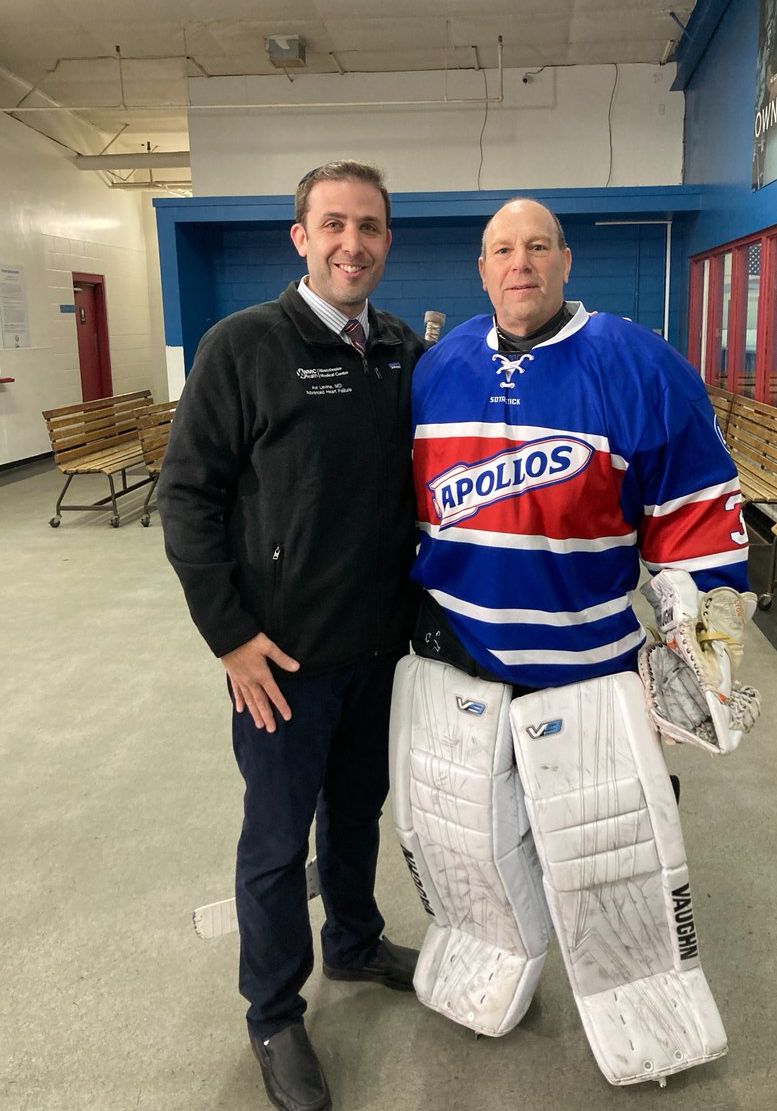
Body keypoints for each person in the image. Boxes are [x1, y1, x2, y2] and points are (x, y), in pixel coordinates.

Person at [389, 197, 757, 1087]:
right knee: (462, 844)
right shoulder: (436, 369)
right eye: (502, 249)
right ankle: (484, 972)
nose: (521, 263)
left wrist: (703, 670)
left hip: (588, 669)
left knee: (613, 863)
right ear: (481, 270)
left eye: (539, 247)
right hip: (454, 660)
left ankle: (649, 1017)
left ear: (565, 262)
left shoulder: (641, 365)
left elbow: (700, 526)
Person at [158, 160, 424, 1111]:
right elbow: (183, 497)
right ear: (301, 238)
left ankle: (352, 941)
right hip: (278, 663)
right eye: (336, 225)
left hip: (377, 650)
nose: (355, 243)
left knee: (356, 814)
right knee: (275, 843)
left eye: (373, 228)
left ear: (388, 242)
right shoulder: (243, 346)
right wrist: (230, 636)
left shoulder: (397, 349)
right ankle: (273, 1010)